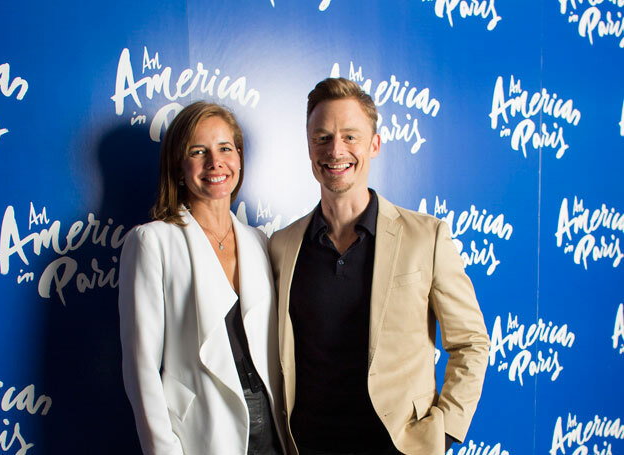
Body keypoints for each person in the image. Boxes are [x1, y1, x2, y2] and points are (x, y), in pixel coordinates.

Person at [269, 78, 490, 455]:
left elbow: (471, 343)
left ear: (374, 144)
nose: (335, 150)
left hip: (397, 447)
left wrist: (445, 431)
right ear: (309, 147)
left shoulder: (427, 237)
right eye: (322, 137)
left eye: (350, 136)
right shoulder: (282, 245)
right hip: (308, 445)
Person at [119, 101, 284, 455]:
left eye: (225, 148)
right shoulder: (152, 241)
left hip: (272, 428)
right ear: (179, 166)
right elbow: (141, 368)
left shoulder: (259, 241)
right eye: (199, 151)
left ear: (239, 157)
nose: (215, 162)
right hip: (202, 433)